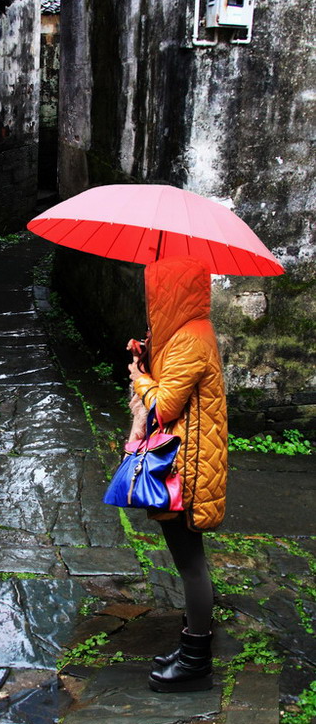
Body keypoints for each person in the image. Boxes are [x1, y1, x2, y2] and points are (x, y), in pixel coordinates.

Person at [127, 255, 228, 693]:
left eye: (154, 291)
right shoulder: (189, 333)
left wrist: (139, 379)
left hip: (186, 469)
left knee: (190, 564)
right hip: (188, 460)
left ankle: (195, 663)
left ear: (169, 290)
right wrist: (148, 358)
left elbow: (163, 407)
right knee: (190, 560)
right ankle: (192, 646)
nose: (151, 300)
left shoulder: (190, 338)